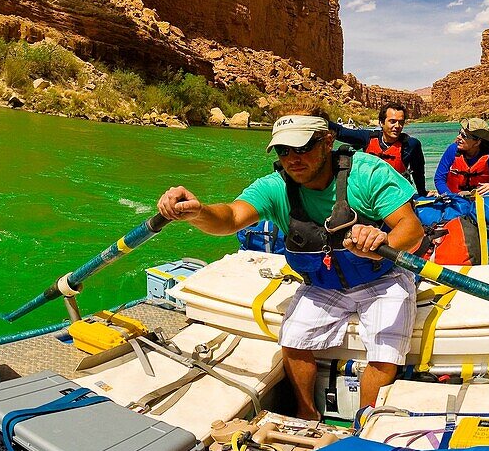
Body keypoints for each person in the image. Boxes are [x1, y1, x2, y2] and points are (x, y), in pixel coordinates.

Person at [157, 109, 423, 420]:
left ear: (327, 142)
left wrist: (382, 244)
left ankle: (364, 424)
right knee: (293, 339)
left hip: (383, 279)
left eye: (302, 148)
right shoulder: (274, 187)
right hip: (324, 285)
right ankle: (307, 415)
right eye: (284, 151)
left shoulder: (368, 173)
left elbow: (412, 229)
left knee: (384, 352)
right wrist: (198, 211)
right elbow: (229, 218)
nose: (292, 159)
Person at [328, 103, 428, 195]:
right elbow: (340, 131)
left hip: (396, 195)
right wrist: (316, 119)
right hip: (369, 193)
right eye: (392, 122)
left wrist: (422, 193)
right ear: (381, 123)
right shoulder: (367, 138)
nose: (397, 126)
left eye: (401, 122)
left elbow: (418, 172)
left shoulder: (411, 145)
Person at [434, 117, 489, 196]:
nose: (458, 137)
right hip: (453, 198)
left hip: (480, 199)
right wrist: (449, 196)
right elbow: (439, 179)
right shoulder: (452, 150)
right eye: (460, 132)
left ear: (477, 142)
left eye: (464, 136)